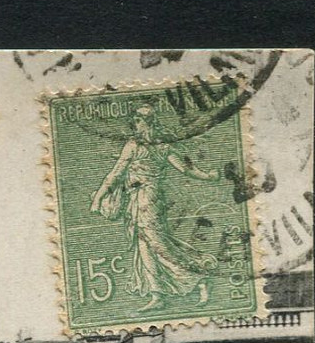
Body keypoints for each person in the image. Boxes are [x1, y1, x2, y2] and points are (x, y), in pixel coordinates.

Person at [89, 103, 224, 313]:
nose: (134, 124)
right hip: (140, 199)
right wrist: (207, 176)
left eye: (137, 121)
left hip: (146, 199)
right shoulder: (161, 144)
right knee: (145, 246)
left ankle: (199, 279)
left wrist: (97, 199)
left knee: (159, 244)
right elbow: (185, 168)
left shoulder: (135, 145)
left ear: (146, 122)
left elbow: (115, 175)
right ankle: (157, 294)